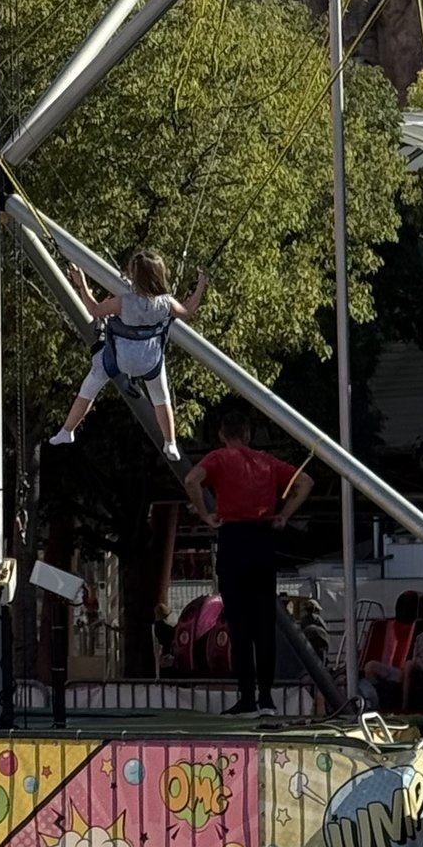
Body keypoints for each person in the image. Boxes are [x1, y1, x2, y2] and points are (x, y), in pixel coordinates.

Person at [181, 405, 312, 716]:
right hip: (263, 538)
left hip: (233, 538)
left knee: (238, 622)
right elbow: (305, 481)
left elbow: (191, 480)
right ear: (249, 435)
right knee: (264, 622)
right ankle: (266, 697)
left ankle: (247, 696)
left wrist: (204, 513)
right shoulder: (266, 462)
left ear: (223, 435)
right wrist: (284, 514)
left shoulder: (218, 459)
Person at [49, 249, 207, 462]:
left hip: (119, 360)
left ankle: (68, 430)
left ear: (136, 276)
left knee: (89, 387)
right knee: (162, 399)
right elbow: (187, 311)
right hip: (150, 362)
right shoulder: (166, 302)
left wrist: (81, 284)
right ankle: (170, 443)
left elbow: (94, 309)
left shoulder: (123, 301)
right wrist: (201, 286)